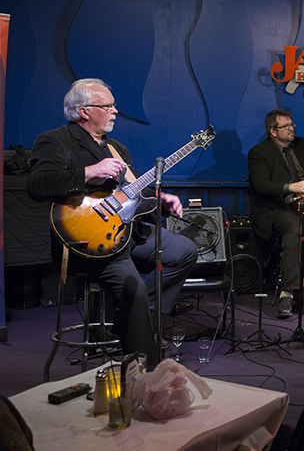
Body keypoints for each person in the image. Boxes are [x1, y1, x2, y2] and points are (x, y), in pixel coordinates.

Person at [27, 79, 198, 363]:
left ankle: (144, 321)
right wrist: (90, 170)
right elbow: (38, 185)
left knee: (185, 251)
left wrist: (161, 200)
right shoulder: (55, 140)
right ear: (84, 111)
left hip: (128, 232)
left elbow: (131, 194)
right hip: (91, 242)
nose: (115, 111)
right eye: (107, 106)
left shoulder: (116, 147)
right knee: (135, 291)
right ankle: (146, 367)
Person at [248, 108, 304, 318]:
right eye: (285, 126)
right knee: (297, 229)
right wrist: (291, 187)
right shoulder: (258, 153)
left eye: (291, 125)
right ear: (273, 131)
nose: (291, 129)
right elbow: (261, 185)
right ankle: (287, 294)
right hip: (279, 208)